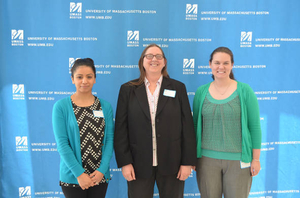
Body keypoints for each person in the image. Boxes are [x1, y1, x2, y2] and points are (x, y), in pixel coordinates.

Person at [114, 44, 197, 198]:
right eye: (149, 56)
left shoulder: (178, 88)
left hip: (173, 164)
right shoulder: (127, 90)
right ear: (142, 61)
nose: (154, 59)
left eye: (159, 56)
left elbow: (187, 127)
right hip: (138, 165)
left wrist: (187, 162)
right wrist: (125, 163)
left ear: (164, 62)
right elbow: (120, 129)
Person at [193, 47, 262, 198]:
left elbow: (255, 127)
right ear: (210, 64)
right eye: (217, 62)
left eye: (226, 63)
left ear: (232, 65)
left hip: (238, 161)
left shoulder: (245, 91)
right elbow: (195, 126)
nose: (221, 67)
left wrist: (255, 159)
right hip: (206, 161)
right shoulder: (201, 92)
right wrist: (193, 157)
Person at [52, 58, 114, 198]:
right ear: (72, 79)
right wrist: (79, 174)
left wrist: (102, 171)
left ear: (95, 79)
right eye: (79, 77)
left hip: (99, 176)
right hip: (73, 177)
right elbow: (62, 144)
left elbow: (110, 140)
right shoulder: (61, 107)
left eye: (89, 77)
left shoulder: (105, 106)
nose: (84, 81)